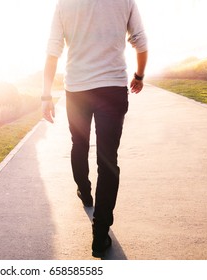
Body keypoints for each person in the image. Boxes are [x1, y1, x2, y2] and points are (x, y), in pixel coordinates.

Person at [41, 0, 148, 258]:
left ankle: (85, 192)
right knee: (107, 159)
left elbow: (53, 51)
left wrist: (46, 96)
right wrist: (139, 75)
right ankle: (100, 235)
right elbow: (141, 43)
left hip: (76, 90)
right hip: (112, 88)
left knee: (79, 144)